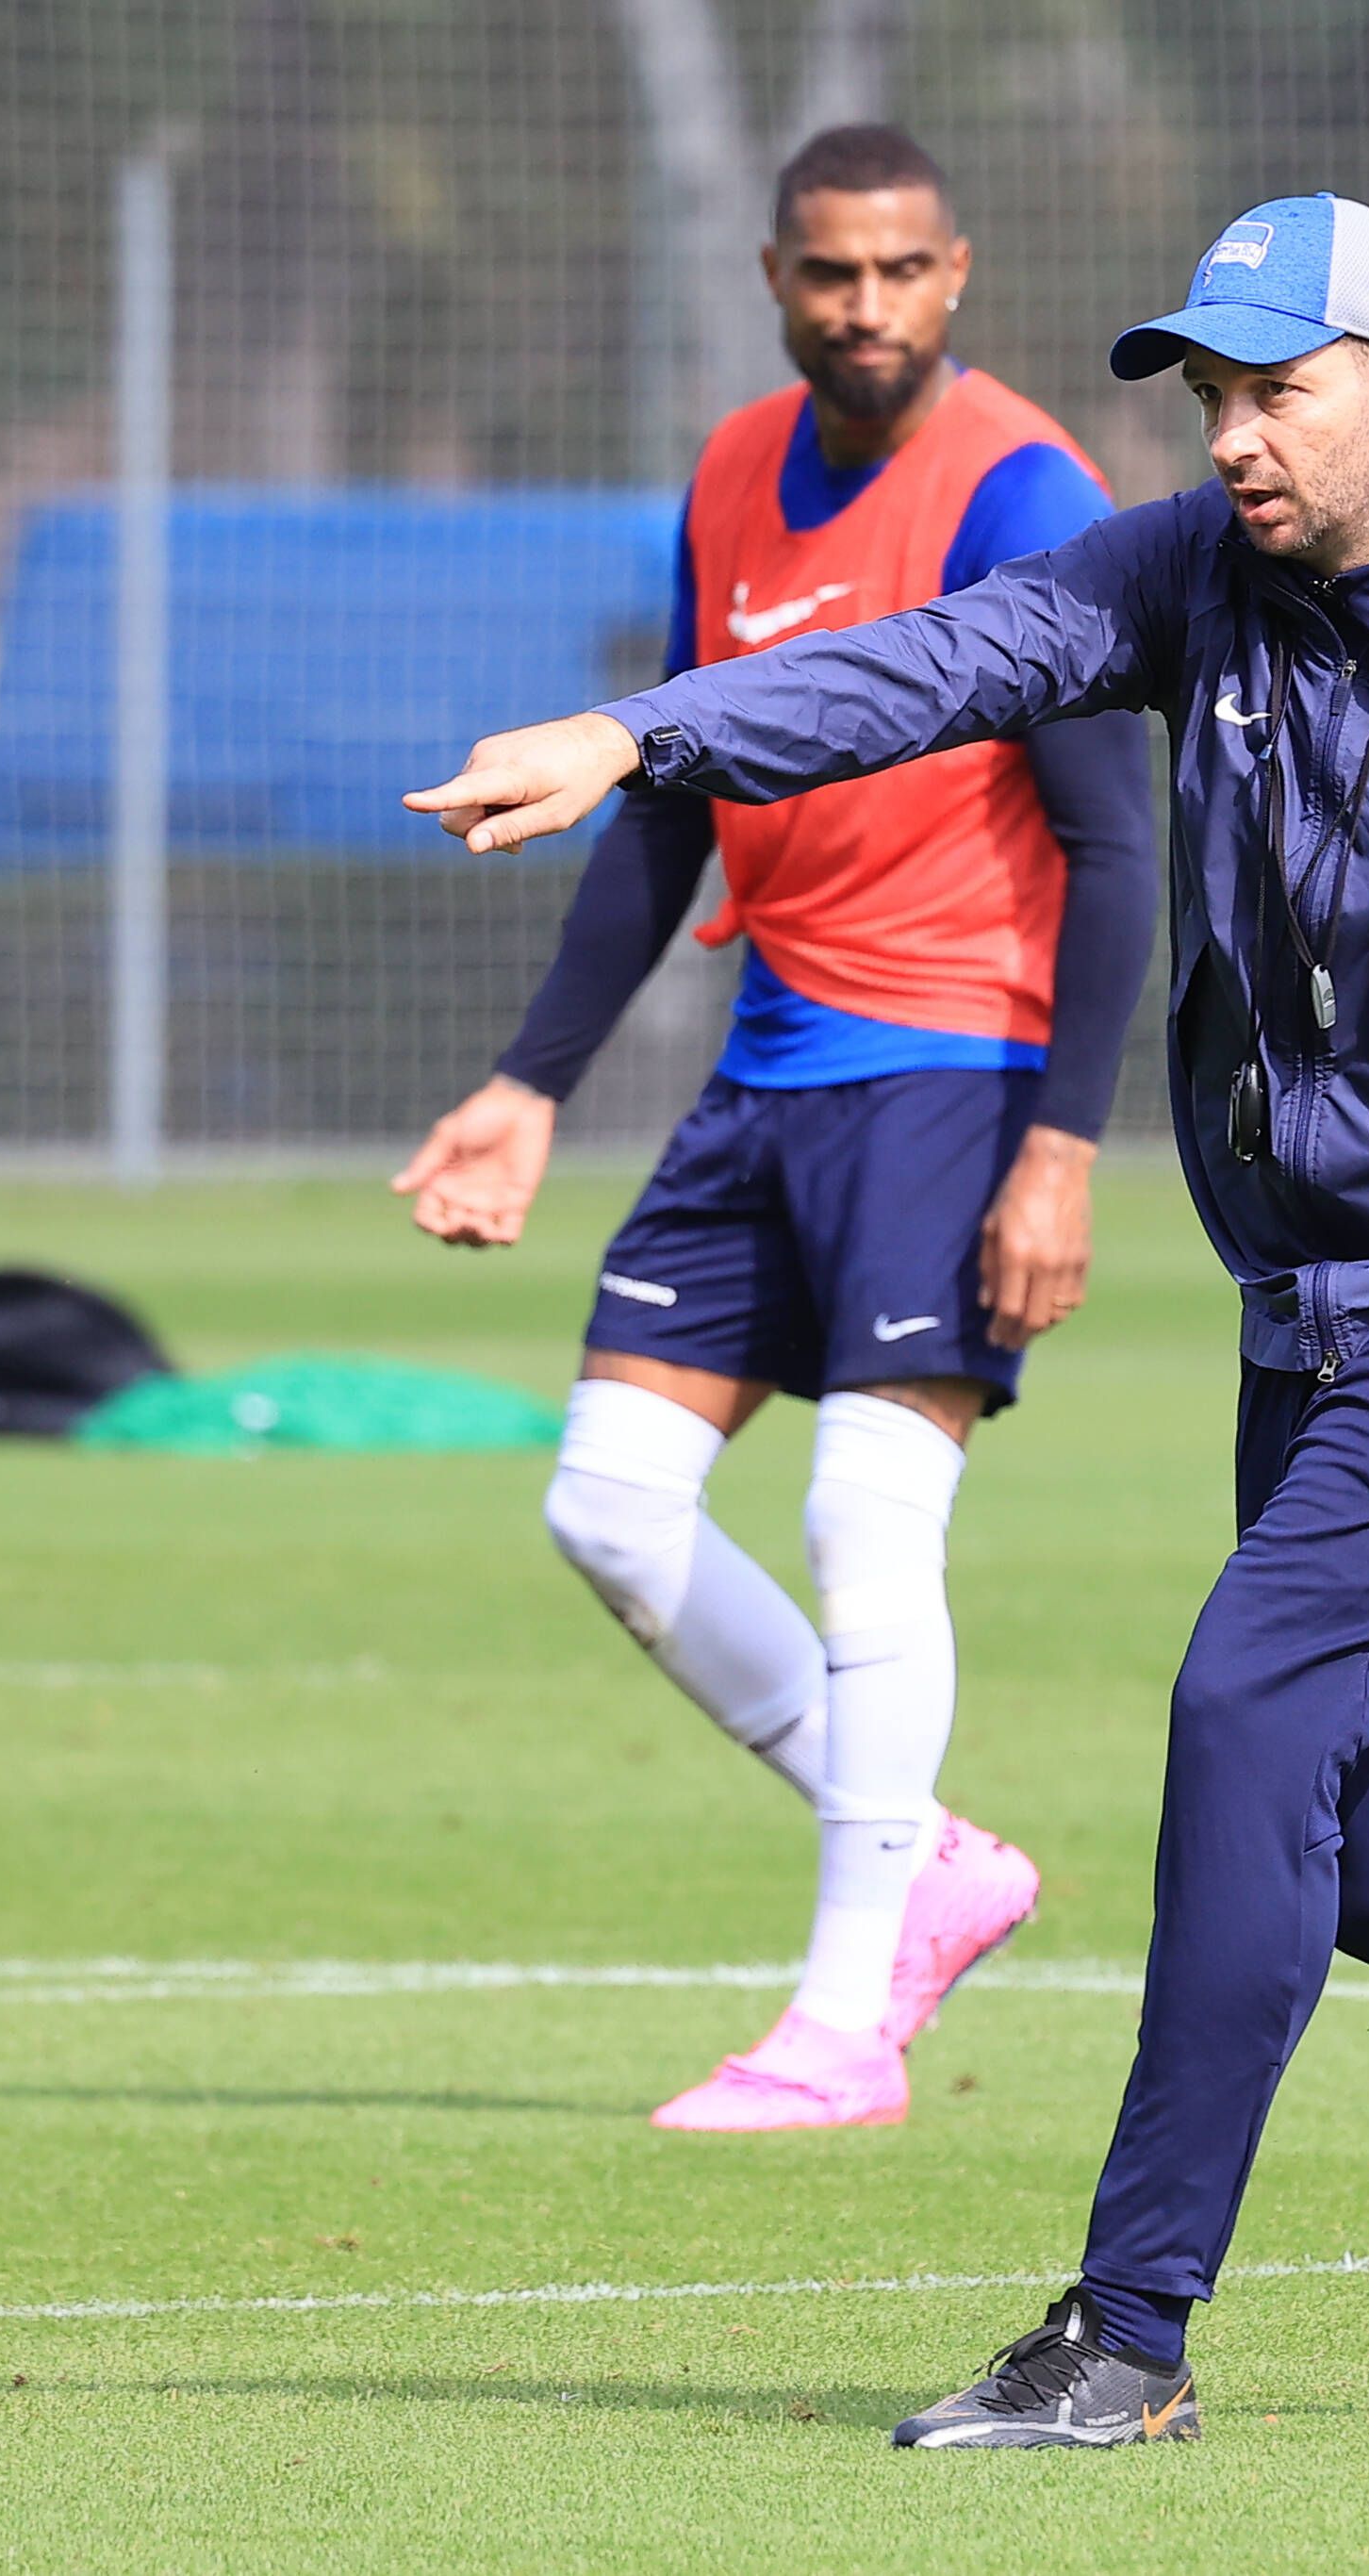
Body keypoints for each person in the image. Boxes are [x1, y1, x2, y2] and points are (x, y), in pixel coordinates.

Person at [407, 192, 1369, 2436]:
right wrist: (647, 738)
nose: (1236, 437)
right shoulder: (1189, 585)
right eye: (1215, 396)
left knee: (1246, 1711)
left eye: (1279, 390)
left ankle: (1126, 2333)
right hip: (1316, 1307)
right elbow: (929, 665)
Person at [391, 126, 1155, 2133]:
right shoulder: (732, 475)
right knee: (609, 1502)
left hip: (960, 1063)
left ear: (959, 272)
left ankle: (843, 2023)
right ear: (776, 276)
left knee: (859, 1516)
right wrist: (526, 1081)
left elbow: (1114, 836)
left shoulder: (1024, 491)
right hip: (772, 1062)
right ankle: (930, 1859)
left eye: (906, 270)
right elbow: (669, 795)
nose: (871, 307)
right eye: (835, 273)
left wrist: (1065, 1142)